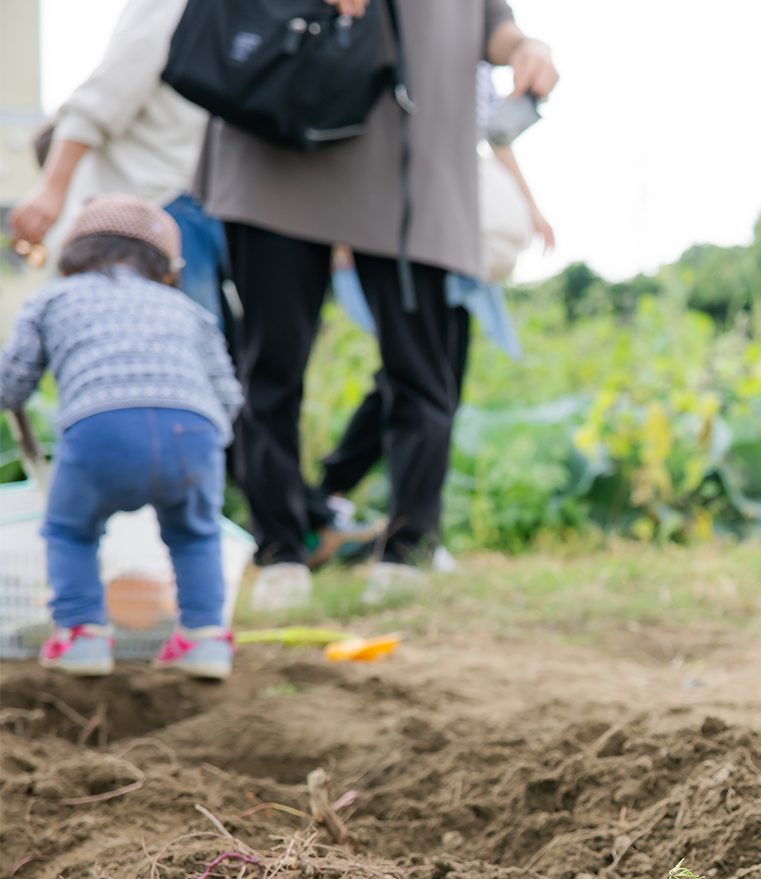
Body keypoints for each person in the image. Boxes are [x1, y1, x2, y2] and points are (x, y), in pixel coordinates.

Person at [198, 0, 558, 610]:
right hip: (285, 134)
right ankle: (280, 551)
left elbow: (489, 22)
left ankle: (408, 549)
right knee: (272, 366)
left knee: (424, 370)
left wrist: (524, 48)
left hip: (413, 166)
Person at [314, 65, 556, 574]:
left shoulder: (471, 50)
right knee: (414, 384)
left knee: (434, 387)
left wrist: (530, 208)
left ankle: (406, 523)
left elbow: (495, 135)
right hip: (399, 226)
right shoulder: (398, 34)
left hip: (459, 238)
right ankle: (379, 520)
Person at [0, 196, 242, 680]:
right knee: (196, 534)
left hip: (100, 428)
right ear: (165, 265)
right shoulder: (187, 310)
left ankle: (83, 635)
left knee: (70, 530)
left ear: (75, 252)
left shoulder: (53, 299)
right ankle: (205, 639)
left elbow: (12, 383)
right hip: (192, 431)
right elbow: (228, 395)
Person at [4, 0, 224, 320]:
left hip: (203, 201)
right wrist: (53, 187)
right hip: (151, 202)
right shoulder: (173, 6)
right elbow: (105, 95)